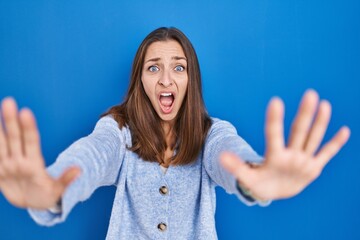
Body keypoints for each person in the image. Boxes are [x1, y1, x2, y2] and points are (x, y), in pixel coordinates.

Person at [0, 27, 350, 239]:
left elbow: (229, 155)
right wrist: (53, 189)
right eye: (154, 68)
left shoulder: (211, 133)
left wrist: (255, 177)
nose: (166, 80)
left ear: (190, 80)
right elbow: (93, 155)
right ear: (141, 80)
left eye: (178, 68)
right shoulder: (119, 130)